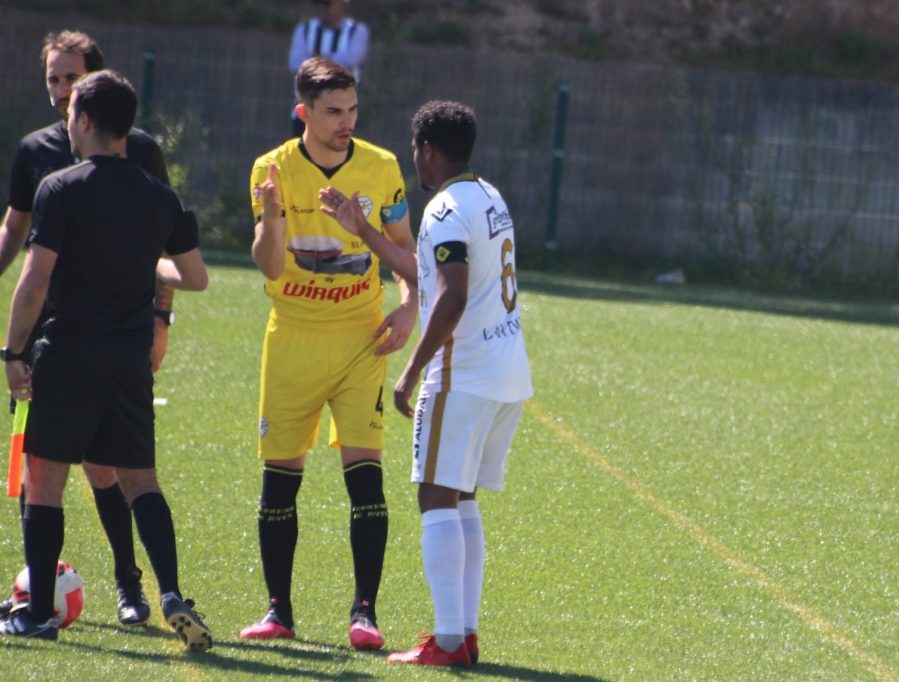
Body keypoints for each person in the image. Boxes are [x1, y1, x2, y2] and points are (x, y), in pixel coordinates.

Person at [0, 69, 212, 649]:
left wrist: (12, 352)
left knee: (44, 480)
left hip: (67, 354)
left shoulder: (62, 188)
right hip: (128, 361)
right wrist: (144, 261)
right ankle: (170, 592)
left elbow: (35, 278)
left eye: (71, 113)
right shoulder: (158, 195)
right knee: (140, 480)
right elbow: (195, 276)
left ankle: (38, 612)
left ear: (86, 121)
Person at [319, 100, 533, 667]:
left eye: (415, 149)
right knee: (459, 496)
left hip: (465, 373)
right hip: (506, 371)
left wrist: (413, 368)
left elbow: (454, 294)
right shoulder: (488, 195)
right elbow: (430, 272)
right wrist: (364, 230)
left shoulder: (442, 207)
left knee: (435, 495)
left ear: (426, 150)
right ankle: (462, 635)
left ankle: (445, 640)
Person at [243, 56, 416, 650]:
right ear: (304, 113)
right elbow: (268, 266)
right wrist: (269, 216)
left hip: (360, 339)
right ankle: (278, 612)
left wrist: (411, 305)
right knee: (280, 478)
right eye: (333, 111)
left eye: (352, 109)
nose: (347, 122)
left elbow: (405, 253)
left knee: (366, 478)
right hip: (291, 338)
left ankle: (364, 614)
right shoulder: (271, 169)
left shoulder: (382, 167)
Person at [287, 0, 370, 137]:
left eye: (326, 3)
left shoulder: (356, 31)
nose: (321, 8)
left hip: (342, 118)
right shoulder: (304, 29)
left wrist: (314, 61)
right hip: (306, 114)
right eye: (317, 3)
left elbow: (353, 58)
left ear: (343, 4)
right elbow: (295, 63)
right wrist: (334, 62)